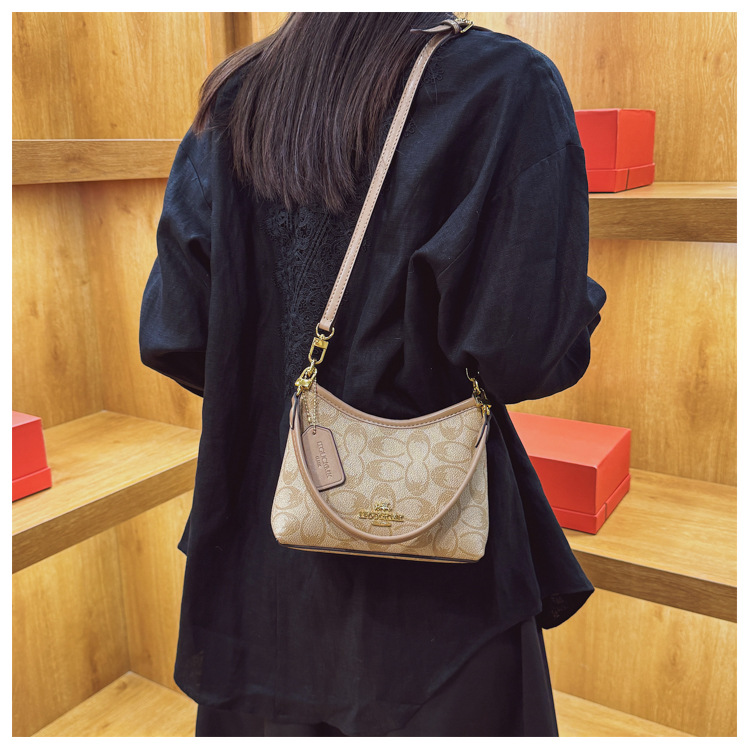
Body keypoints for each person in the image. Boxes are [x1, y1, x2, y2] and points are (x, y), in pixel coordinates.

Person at [139, 12, 606, 737]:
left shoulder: (235, 93)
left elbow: (177, 335)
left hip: (258, 572)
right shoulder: (504, 83)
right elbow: (522, 351)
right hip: (439, 591)